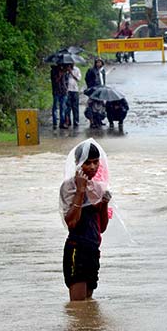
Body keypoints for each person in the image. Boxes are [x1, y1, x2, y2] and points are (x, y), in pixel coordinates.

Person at [59, 139, 111, 301]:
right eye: (87, 163)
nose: (93, 167)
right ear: (78, 163)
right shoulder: (69, 187)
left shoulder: (98, 188)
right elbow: (72, 223)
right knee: (78, 305)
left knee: (88, 304)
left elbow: (101, 227)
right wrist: (80, 191)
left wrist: (103, 204)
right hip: (77, 249)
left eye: (96, 162)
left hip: (93, 250)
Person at [85, 58, 107, 128]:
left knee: (101, 106)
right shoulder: (91, 70)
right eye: (97, 62)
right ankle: (92, 121)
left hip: (101, 89)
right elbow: (87, 79)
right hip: (94, 90)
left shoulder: (102, 71)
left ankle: (99, 120)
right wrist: (91, 87)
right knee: (92, 105)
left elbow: (103, 80)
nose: (99, 64)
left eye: (100, 62)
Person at [51, 64, 69, 129]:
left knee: (63, 108)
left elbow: (66, 81)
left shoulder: (65, 71)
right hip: (56, 91)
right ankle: (55, 123)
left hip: (63, 92)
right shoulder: (53, 71)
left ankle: (62, 123)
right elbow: (55, 81)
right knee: (55, 107)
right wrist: (60, 75)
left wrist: (66, 88)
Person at [65, 63, 82, 127]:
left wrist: (71, 72)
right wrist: (67, 71)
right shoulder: (65, 70)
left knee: (75, 107)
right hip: (67, 90)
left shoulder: (77, 69)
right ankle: (68, 121)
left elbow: (78, 79)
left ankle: (76, 121)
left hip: (75, 90)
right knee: (67, 107)